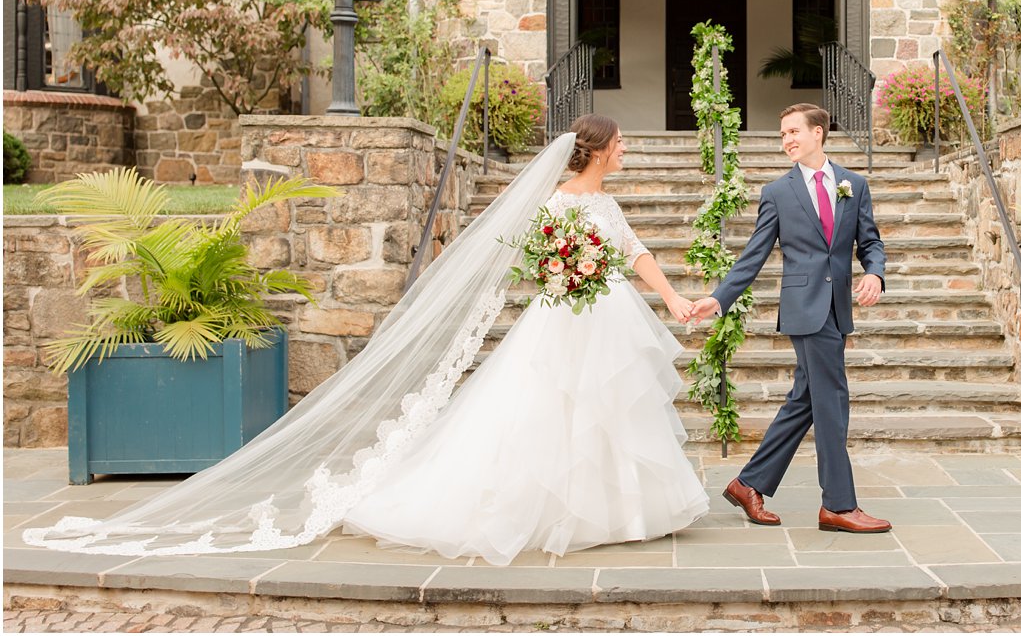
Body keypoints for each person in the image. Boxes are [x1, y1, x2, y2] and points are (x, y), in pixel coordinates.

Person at [25, 117, 707, 560]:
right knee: (548, 410)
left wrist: (673, 297)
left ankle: (623, 506)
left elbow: (635, 250)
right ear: (595, 149)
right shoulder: (555, 203)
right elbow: (531, 260)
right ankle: (555, 509)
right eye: (620, 143)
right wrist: (566, 272)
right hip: (564, 318)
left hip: (606, 316)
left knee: (615, 408)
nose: (625, 150)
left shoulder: (609, 205)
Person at [689, 103, 891, 534]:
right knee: (832, 403)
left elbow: (869, 242)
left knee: (806, 402)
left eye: (794, 132)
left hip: (838, 308)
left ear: (819, 132)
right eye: (783, 135)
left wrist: (874, 272)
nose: (787, 141)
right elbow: (754, 254)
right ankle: (838, 505)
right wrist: (719, 298)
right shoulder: (778, 193)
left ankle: (749, 484)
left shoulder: (854, 185)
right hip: (805, 310)